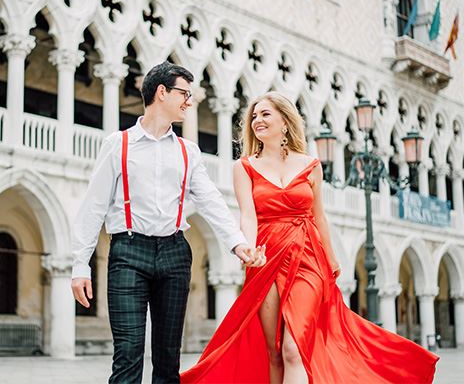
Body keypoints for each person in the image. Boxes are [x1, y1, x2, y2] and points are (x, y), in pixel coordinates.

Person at [181, 92, 439, 383]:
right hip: (266, 259)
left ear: (285, 120)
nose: (257, 120)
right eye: (254, 116)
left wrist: (331, 258)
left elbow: (319, 217)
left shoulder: (310, 165)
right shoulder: (244, 167)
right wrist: (250, 249)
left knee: (293, 347)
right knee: (273, 351)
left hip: (308, 258)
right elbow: (248, 216)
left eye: (265, 114)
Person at [71, 61, 265, 384]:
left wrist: (238, 242)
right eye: (184, 94)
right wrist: (80, 265)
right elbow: (93, 207)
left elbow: (211, 200)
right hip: (128, 252)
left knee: (167, 358)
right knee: (128, 354)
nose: (189, 102)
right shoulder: (117, 145)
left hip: (175, 253)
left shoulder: (189, 152)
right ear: (161, 92)